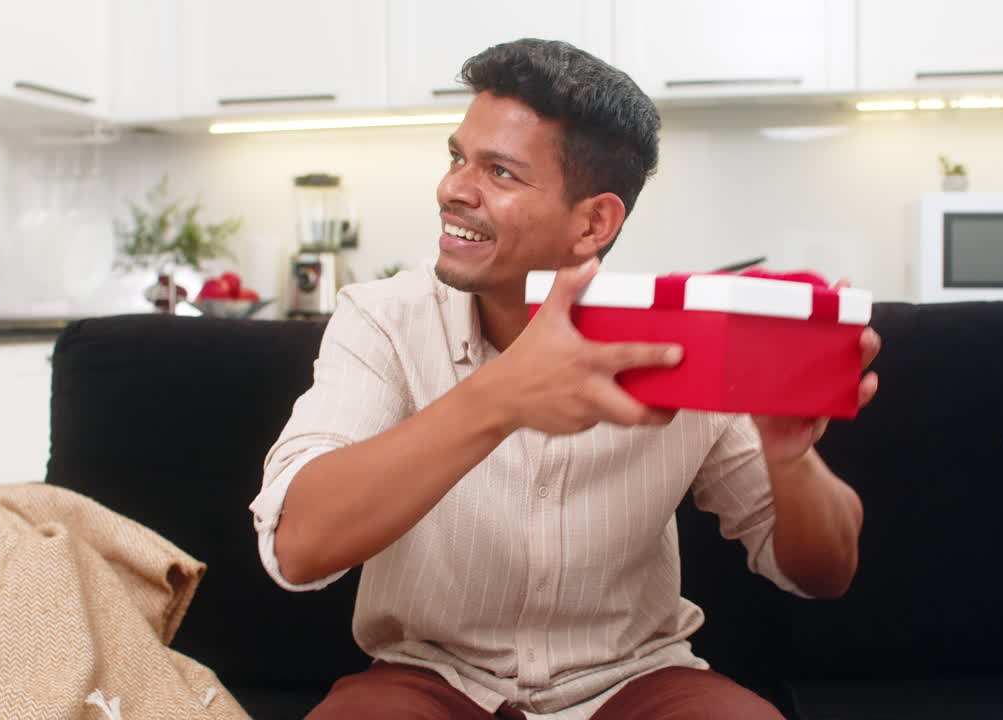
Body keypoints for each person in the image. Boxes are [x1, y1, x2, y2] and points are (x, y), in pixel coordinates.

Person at [249, 38, 881, 720]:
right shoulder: (379, 321)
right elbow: (298, 546)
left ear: (594, 222)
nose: (453, 189)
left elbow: (826, 574)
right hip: (426, 678)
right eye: (458, 158)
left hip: (637, 680)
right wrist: (502, 395)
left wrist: (791, 458)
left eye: (500, 172)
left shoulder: (684, 337)